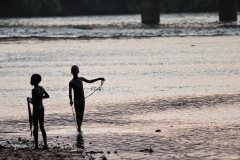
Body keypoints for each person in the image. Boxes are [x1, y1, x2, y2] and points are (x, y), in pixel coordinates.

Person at [69, 65, 105, 132]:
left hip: (82, 98)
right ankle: (79, 128)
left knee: (82, 113)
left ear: (78, 71)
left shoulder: (81, 79)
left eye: (76, 70)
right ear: (71, 72)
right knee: (78, 114)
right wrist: (70, 100)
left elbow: (90, 81)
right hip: (76, 99)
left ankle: (79, 127)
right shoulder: (71, 82)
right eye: (73, 70)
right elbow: (70, 93)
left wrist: (99, 78)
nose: (75, 71)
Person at [27, 74, 49, 149]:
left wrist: (29, 100)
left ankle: (36, 145)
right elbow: (47, 96)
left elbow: (33, 101)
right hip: (42, 108)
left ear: (34, 81)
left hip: (36, 109)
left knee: (36, 126)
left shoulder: (34, 90)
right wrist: (40, 97)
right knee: (42, 126)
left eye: (31, 79)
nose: (30, 81)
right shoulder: (42, 88)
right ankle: (45, 144)